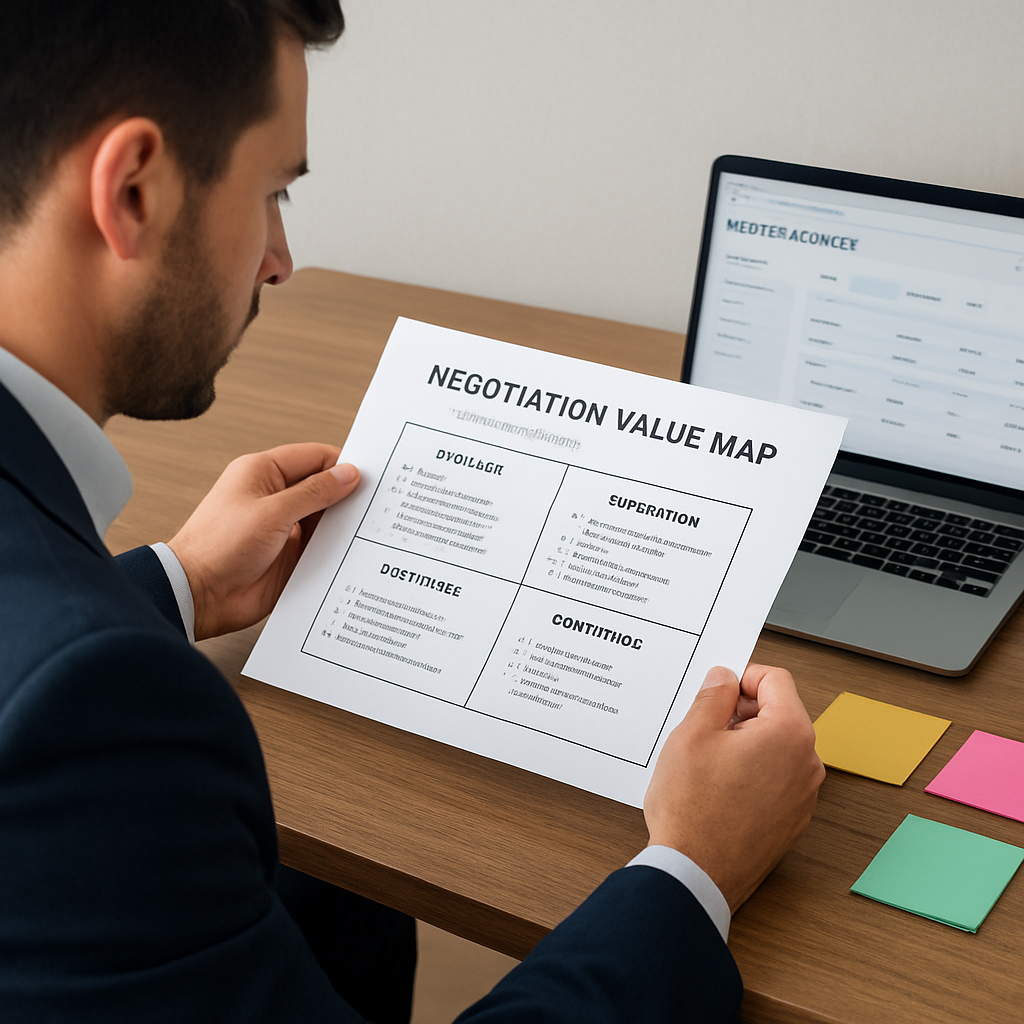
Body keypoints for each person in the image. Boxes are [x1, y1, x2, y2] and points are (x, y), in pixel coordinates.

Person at [0, 2, 825, 1022]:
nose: (279, 258)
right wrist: (693, 866)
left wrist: (179, 582)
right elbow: (51, 687)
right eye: (271, 192)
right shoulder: (94, 715)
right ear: (132, 189)